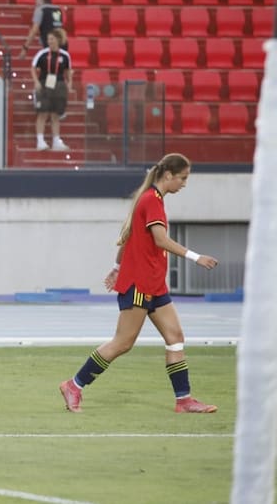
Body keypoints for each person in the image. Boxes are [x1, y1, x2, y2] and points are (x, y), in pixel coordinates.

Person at [60, 154, 220, 414]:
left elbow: (128, 237)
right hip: (140, 285)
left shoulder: (150, 200)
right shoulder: (151, 201)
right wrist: (195, 257)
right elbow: (160, 240)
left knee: (175, 337)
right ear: (168, 175)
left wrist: (116, 268)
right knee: (122, 343)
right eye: (183, 178)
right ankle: (74, 385)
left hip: (154, 284)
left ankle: (184, 400)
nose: (184, 183)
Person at [32, 28, 73, 151]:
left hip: (59, 84)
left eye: (52, 39)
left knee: (56, 114)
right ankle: (40, 141)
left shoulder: (65, 55)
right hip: (45, 84)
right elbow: (33, 68)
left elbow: (68, 70)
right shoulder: (42, 54)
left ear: (58, 40)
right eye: (48, 39)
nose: (49, 41)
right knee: (43, 113)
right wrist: (36, 82)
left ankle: (56, 141)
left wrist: (70, 82)